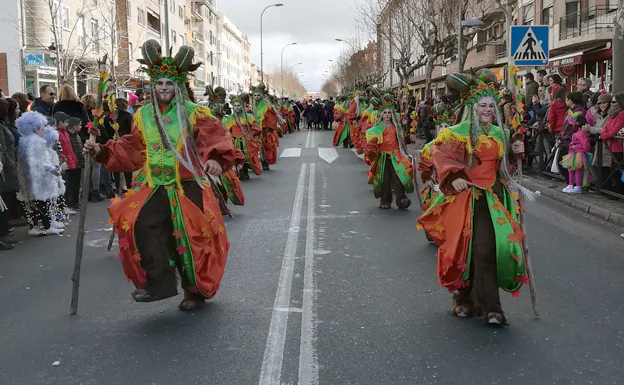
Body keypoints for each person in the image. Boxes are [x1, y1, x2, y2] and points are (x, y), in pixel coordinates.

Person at [83, 40, 244, 310]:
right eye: (160, 84)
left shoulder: (195, 113)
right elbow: (133, 147)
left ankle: (194, 292)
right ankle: (159, 284)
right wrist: (100, 150)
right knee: (142, 225)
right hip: (155, 185)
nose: (165, 88)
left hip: (187, 185)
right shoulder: (142, 115)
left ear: (179, 86)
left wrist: (215, 158)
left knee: (190, 238)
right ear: (153, 86)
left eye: (170, 84)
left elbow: (212, 137)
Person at [417, 70, 529, 326]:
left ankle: (492, 307)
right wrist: (453, 175)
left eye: (492, 105)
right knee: (467, 251)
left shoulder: (500, 133)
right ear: (472, 106)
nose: (488, 110)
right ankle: (464, 299)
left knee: (489, 249)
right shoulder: (457, 132)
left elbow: (505, 167)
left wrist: (515, 152)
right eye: (483, 105)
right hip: (468, 197)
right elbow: (441, 154)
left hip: (494, 197)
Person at [16, 112, 64, 236]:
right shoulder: (37, 141)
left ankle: (35, 226)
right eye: (42, 127)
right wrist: (52, 168)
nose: (44, 130)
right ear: (35, 128)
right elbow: (40, 161)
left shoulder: (23, 140)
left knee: (33, 203)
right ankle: (46, 225)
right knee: (43, 201)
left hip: (28, 177)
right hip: (40, 177)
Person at [363, 93, 414, 209]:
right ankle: (385, 200)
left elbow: (401, 140)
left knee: (399, 178)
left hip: (396, 156)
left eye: (389, 113)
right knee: (384, 180)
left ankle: (401, 199)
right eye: (385, 113)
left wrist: (409, 138)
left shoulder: (397, 127)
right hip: (383, 157)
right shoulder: (377, 129)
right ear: (381, 114)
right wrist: (371, 153)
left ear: (392, 114)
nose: (387, 115)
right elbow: (371, 144)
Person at [222, 93, 262, 180]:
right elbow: (226, 131)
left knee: (247, 156)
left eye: (239, 105)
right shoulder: (229, 118)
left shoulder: (248, 117)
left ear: (242, 106)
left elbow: (255, 128)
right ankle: (240, 172)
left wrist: (252, 135)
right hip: (235, 140)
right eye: (235, 106)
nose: (237, 107)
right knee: (237, 156)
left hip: (246, 140)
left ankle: (246, 171)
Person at [0, 99, 19, 248]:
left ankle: (4, 231)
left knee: (5, 202)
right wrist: (11, 166)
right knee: (3, 202)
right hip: (4, 170)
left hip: (7, 168)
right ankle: (3, 233)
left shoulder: (3, 125)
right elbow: (3, 150)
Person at [598, 92, 624, 195]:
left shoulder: (621, 113)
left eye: (614, 102)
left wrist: (603, 136)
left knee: (618, 171)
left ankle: (619, 192)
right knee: (613, 171)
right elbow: (606, 128)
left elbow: (615, 130)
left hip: (618, 146)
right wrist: (604, 134)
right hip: (610, 145)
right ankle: (615, 192)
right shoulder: (611, 114)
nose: (612, 104)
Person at [557, 92, 587, 181]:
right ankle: (569, 181)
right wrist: (560, 136)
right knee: (562, 162)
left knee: (570, 164)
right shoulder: (569, 111)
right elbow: (564, 126)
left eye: (566, 99)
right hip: (565, 138)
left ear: (570, 100)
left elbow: (575, 126)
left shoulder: (579, 111)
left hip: (572, 140)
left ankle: (572, 182)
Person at [250, 83, 280, 170]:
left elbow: (271, 119)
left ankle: (265, 162)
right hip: (255, 129)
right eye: (255, 95)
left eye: (258, 95)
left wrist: (267, 130)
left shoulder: (267, 106)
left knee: (264, 147)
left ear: (262, 95)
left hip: (264, 130)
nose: (257, 97)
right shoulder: (253, 106)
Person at [560, 128, 594, 194]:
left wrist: (576, 147)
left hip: (579, 153)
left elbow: (586, 145)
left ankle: (577, 186)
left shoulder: (581, 133)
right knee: (571, 169)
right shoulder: (578, 132)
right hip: (574, 153)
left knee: (577, 169)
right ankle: (571, 184)